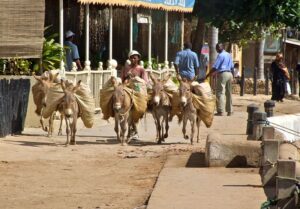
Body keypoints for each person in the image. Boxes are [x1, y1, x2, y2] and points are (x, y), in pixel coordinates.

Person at [206, 43, 234, 116]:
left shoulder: (220, 55)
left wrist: (207, 75)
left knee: (220, 92)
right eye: (216, 47)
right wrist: (232, 75)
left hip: (223, 74)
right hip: (229, 74)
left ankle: (220, 111)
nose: (217, 49)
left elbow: (215, 67)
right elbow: (232, 67)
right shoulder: (228, 54)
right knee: (229, 92)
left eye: (218, 47)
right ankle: (230, 111)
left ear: (222, 47)